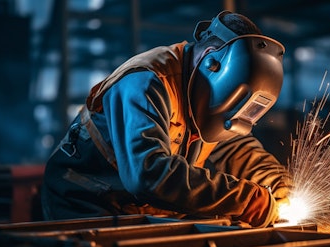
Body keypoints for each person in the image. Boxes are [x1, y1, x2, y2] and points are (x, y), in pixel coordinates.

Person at [41, 10, 291, 228]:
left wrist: (278, 185)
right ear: (211, 61)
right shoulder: (147, 81)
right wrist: (247, 200)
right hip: (86, 200)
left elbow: (237, 145)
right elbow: (149, 174)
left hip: (141, 206)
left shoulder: (206, 93)